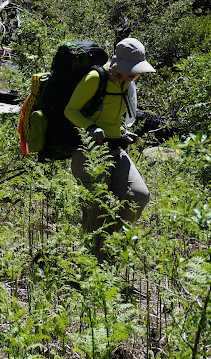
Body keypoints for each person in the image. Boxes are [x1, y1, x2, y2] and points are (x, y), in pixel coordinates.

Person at [64, 37, 155, 258]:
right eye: (132, 71)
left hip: (115, 148)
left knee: (139, 196)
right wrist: (91, 127)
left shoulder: (126, 82)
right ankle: (92, 260)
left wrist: (123, 133)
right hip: (89, 150)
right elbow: (70, 111)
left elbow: (113, 117)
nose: (135, 75)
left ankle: (110, 246)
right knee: (97, 205)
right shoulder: (95, 78)